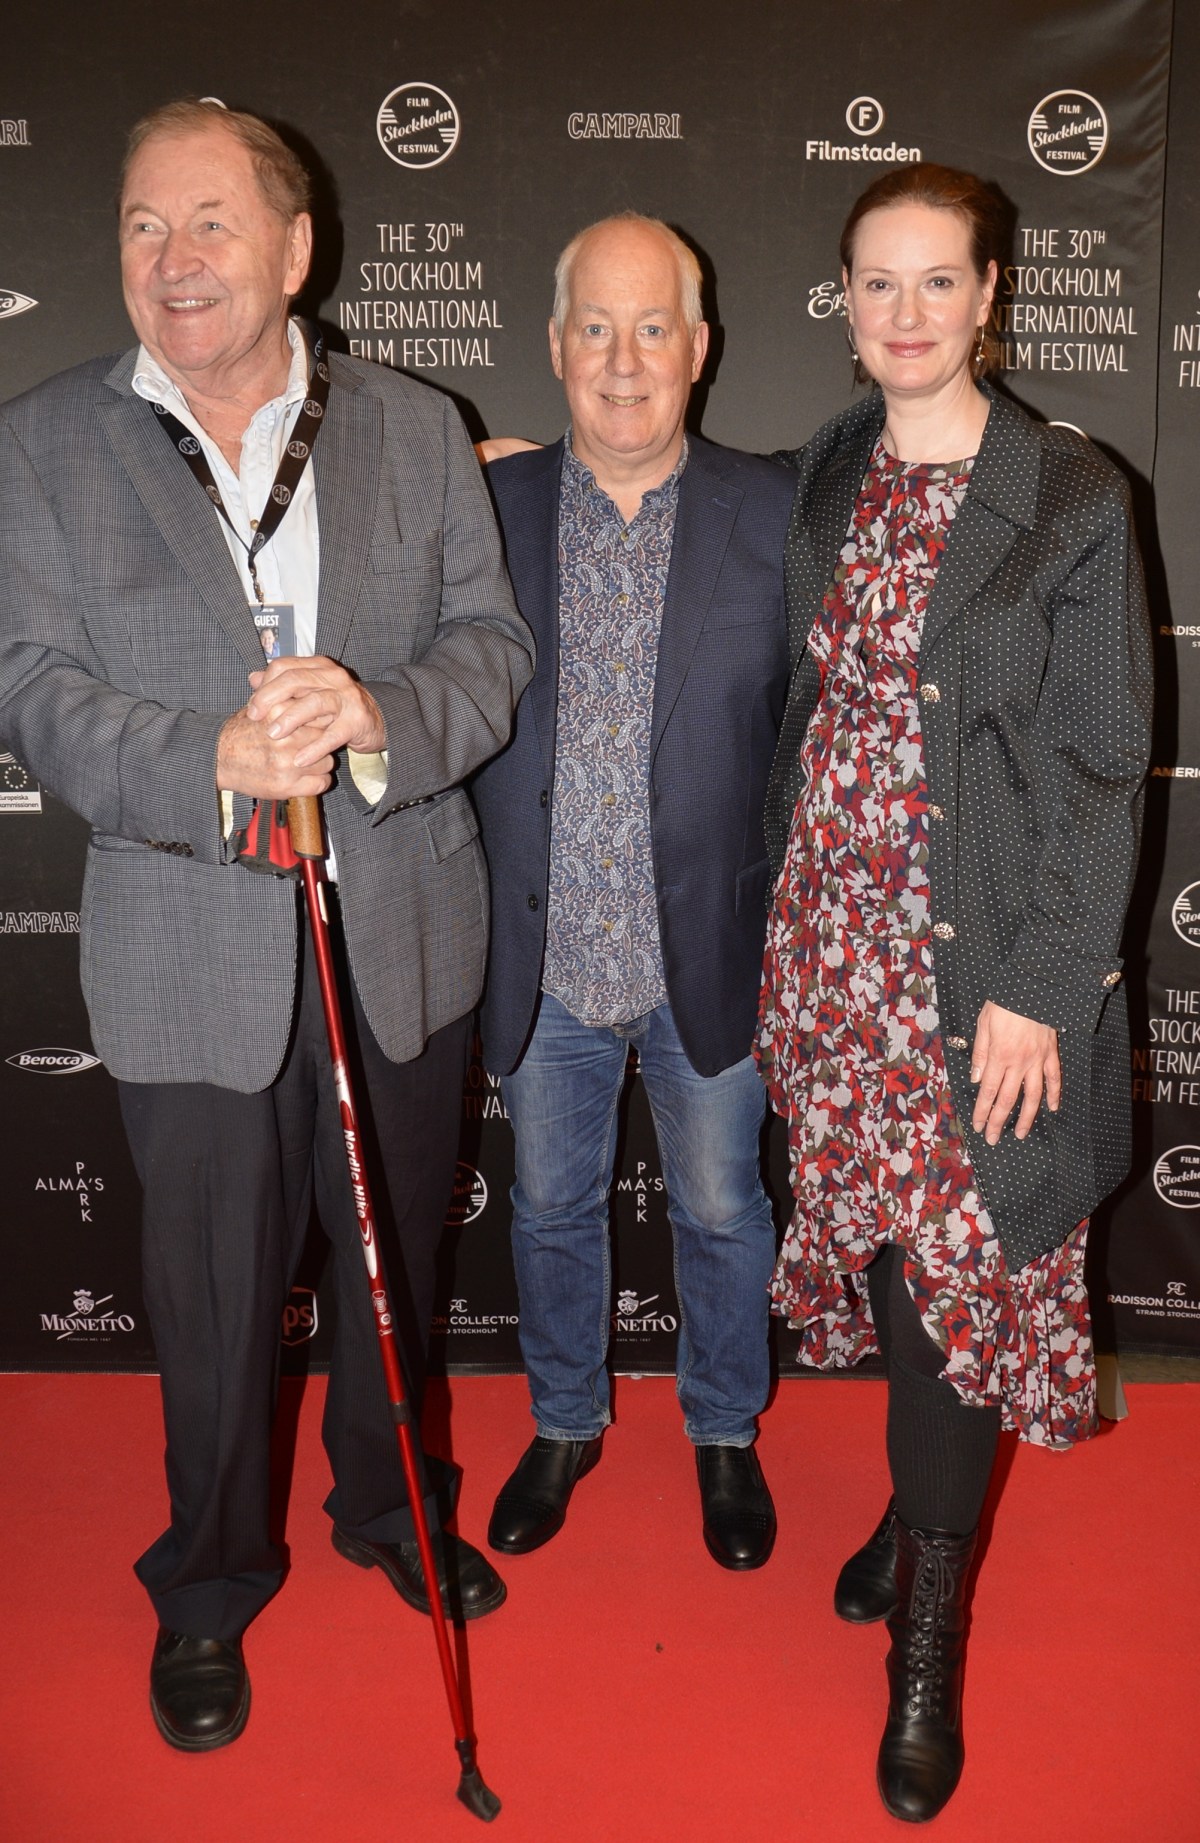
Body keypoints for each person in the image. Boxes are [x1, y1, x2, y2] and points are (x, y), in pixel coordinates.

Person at [0, 100, 533, 1752]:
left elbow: (492, 649)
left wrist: (378, 712)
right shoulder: (42, 440)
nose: (175, 259)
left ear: (297, 250)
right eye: (143, 225)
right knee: (215, 1298)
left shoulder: (415, 424)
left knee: (395, 1272)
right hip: (186, 946)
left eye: (212, 222)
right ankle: (212, 1580)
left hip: (401, 938)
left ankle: (391, 1510)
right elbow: (31, 686)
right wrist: (205, 758)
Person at [757, 163, 1152, 1822]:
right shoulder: (826, 466)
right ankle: (919, 1512)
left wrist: (1045, 987)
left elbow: (1105, 762)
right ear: (845, 302)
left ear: (991, 295)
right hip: (832, 957)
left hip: (983, 975)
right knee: (893, 1267)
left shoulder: (1070, 493)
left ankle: (930, 1639)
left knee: (958, 1279)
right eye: (878, 282)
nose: (906, 312)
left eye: (939, 280)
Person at [470, 214, 795, 1569]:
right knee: (548, 1207)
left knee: (722, 1209)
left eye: (651, 327)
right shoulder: (483, 509)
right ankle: (564, 1420)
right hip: (541, 955)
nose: (622, 360)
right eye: (595, 328)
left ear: (699, 347)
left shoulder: (775, 511)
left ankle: (723, 1429)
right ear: (555, 346)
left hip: (709, 949)